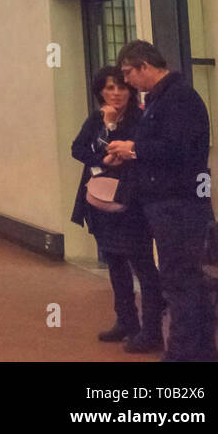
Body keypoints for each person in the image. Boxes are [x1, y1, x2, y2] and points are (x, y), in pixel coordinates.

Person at [105, 40, 218, 361]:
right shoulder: (161, 99)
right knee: (183, 278)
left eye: (129, 72)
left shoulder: (179, 98)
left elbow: (177, 149)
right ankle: (202, 352)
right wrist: (131, 147)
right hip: (169, 202)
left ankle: (184, 354)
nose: (126, 81)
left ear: (145, 65)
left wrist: (135, 150)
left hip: (180, 203)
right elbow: (162, 143)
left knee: (180, 280)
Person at [70, 65, 163, 347]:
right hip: (101, 199)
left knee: (143, 265)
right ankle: (125, 320)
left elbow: (136, 151)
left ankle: (151, 330)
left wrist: (111, 132)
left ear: (130, 90)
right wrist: (101, 156)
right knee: (114, 263)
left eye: (121, 87)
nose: (116, 93)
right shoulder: (96, 118)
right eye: (110, 88)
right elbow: (78, 149)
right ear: (100, 90)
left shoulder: (140, 117)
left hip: (131, 201)